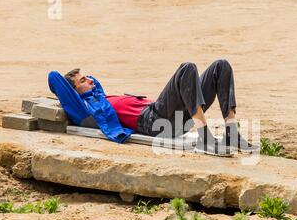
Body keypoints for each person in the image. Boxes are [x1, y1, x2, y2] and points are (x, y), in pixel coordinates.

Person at [64, 59, 258, 156]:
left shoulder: (102, 96)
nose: (89, 79)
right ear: (75, 91)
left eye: (87, 76)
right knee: (187, 68)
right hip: (153, 121)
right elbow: (56, 81)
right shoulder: (89, 107)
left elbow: (92, 83)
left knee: (220, 66)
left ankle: (232, 133)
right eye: (83, 80)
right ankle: (204, 137)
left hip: (172, 119)